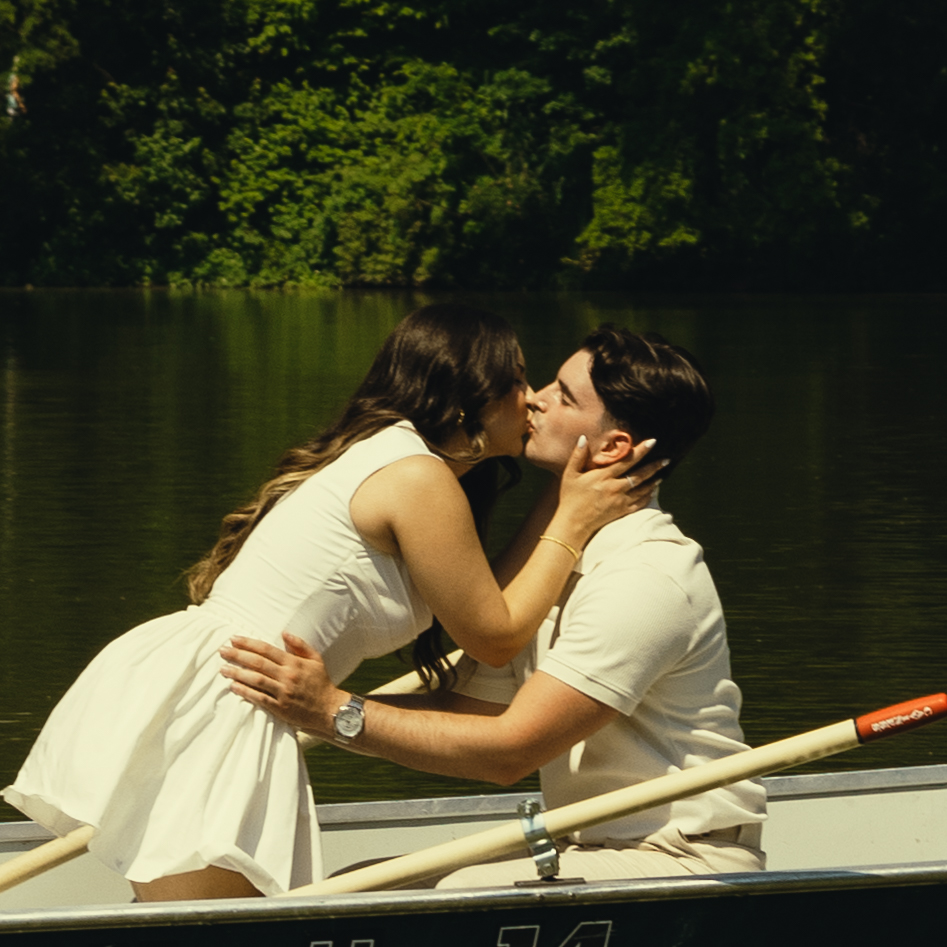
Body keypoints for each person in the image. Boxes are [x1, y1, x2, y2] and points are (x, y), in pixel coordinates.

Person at [2, 306, 658, 902]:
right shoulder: (417, 478)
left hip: (217, 683)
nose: (533, 398)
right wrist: (571, 522)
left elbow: (493, 599)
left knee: (196, 921)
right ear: (467, 396)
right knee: (202, 927)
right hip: (232, 693)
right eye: (517, 379)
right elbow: (495, 635)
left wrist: (564, 497)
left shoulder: (395, 456)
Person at [222, 325, 767, 887]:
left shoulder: (647, 575)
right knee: (361, 881)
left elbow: (510, 752)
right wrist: (309, 704)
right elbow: (476, 716)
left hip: (681, 858)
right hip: (588, 844)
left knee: (433, 898)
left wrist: (333, 711)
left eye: (563, 394)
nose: (535, 398)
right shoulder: (558, 565)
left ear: (613, 448)